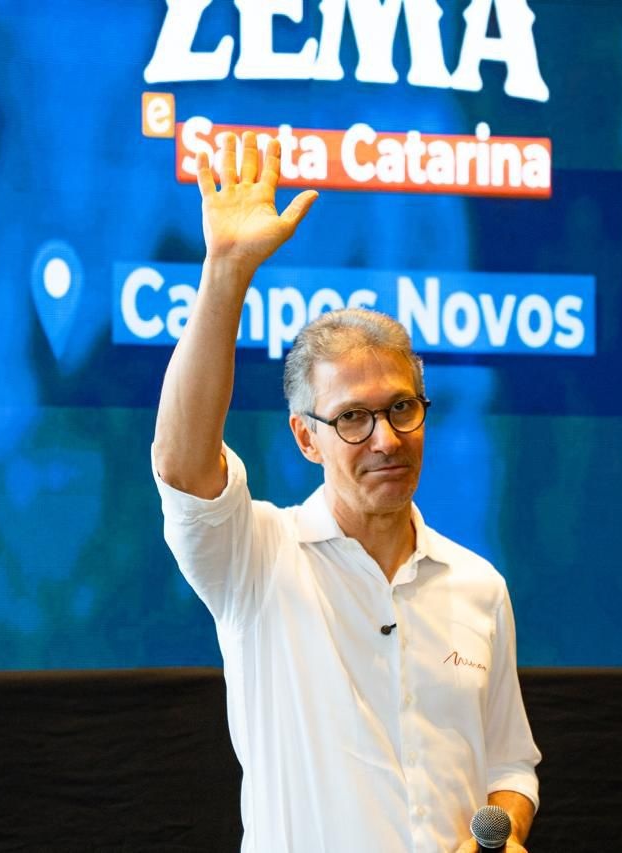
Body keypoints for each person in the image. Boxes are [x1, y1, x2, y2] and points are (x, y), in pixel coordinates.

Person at [153, 130, 540, 852]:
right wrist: (226, 273)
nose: (386, 439)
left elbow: (510, 765)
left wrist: (506, 828)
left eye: (401, 408)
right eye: (353, 418)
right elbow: (180, 464)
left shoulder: (480, 587)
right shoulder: (256, 560)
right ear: (306, 438)